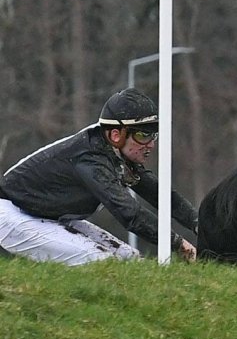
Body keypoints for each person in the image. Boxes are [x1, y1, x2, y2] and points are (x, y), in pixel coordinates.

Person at [0, 88, 199, 265]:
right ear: (116, 135)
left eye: (153, 135)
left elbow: (160, 195)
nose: (151, 144)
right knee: (105, 263)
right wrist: (179, 244)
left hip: (45, 215)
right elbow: (130, 214)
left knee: (132, 261)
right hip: (13, 214)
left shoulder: (114, 150)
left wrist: (199, 224)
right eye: (142, 135)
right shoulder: (91, 159)